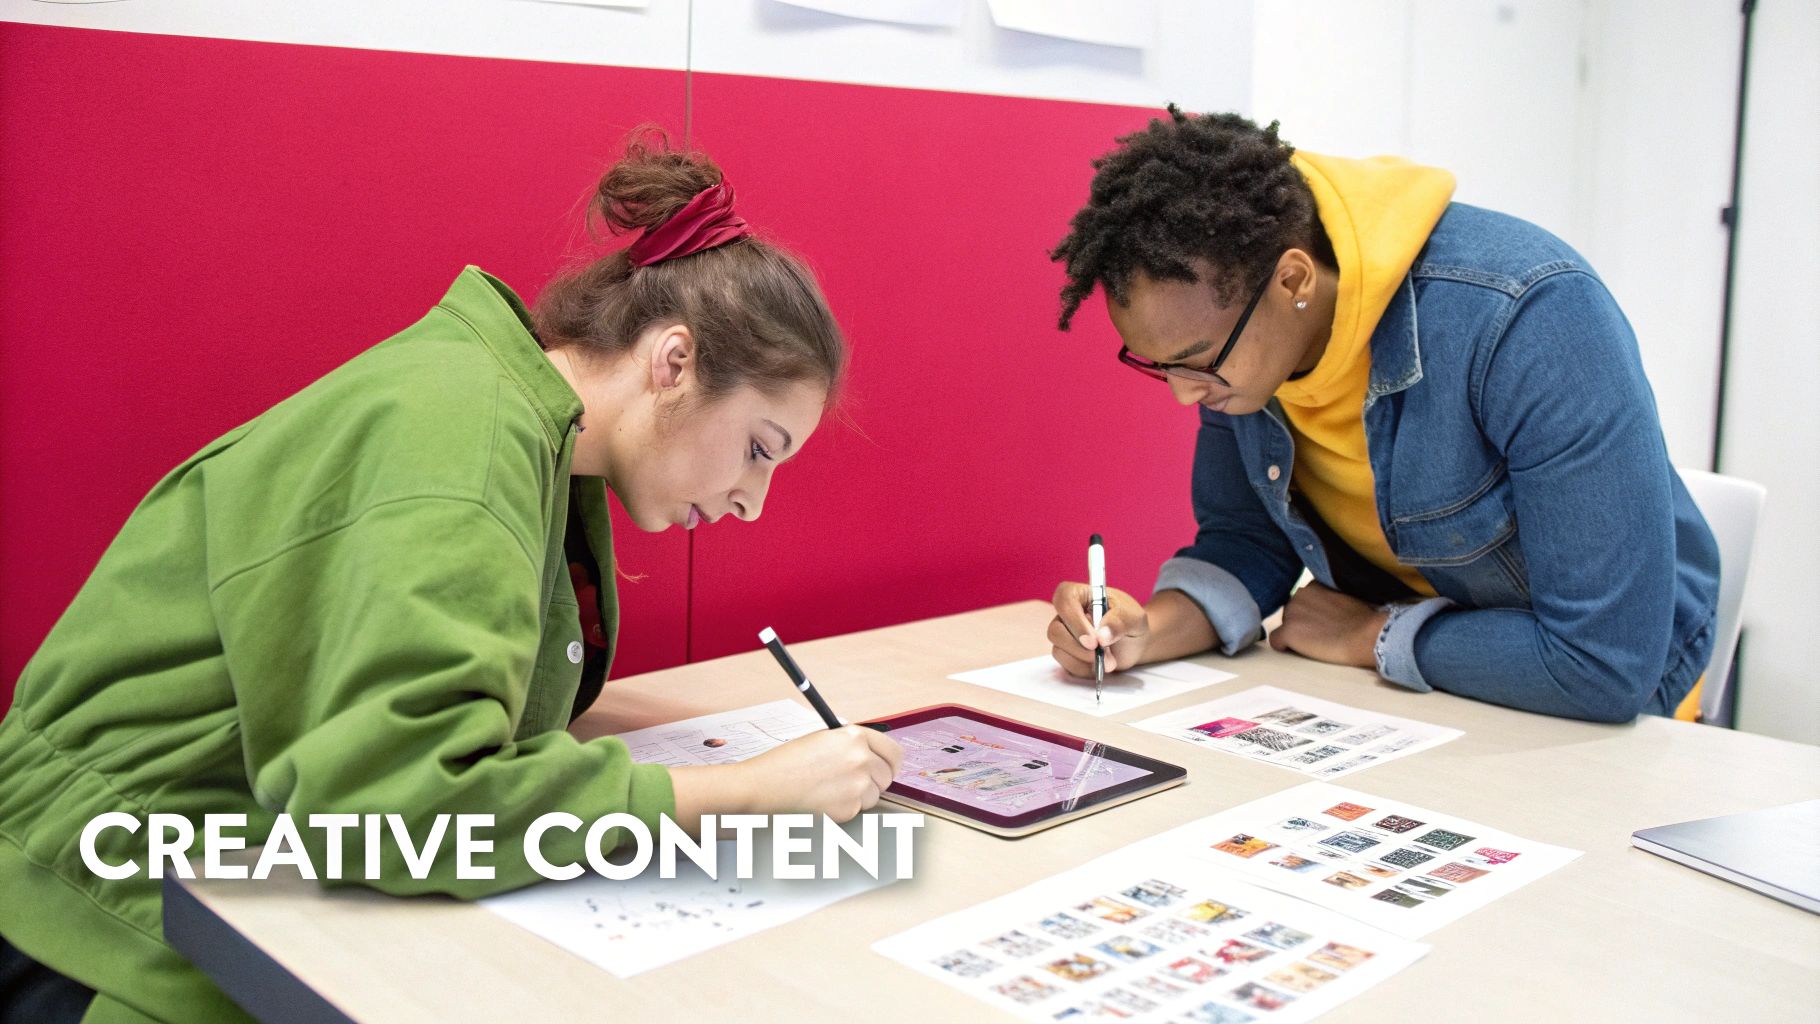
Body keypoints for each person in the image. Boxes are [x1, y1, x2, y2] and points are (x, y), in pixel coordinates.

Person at [0, 133, 902, 1023]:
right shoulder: (464, 449)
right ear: (672, 362)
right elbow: (399, 799)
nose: (752, 502)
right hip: (100, 920)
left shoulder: (522, 424)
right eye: (757, 448)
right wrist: (747, 794)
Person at [1044, 107, 1718, 724]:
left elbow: (1604, 663)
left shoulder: (1532, 317)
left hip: (1606, 706)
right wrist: (1143, 632)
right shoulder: (1241, 344)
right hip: (1415, 694)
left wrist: (1375, 635)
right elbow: (1247, 541)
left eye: (1195, 362)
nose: (1184, 395)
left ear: (1294, 282)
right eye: (1160, 366)